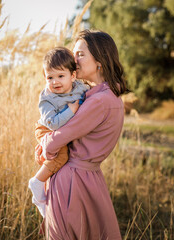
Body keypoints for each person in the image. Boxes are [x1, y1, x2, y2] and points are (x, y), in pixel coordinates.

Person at [35, 29, 127, 239]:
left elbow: (53, 144)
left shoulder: (99, 101)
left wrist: (43, 138)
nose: (74, 59)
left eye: (81, 54)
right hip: (88, 178)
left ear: (100, 60)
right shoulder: (106, 96)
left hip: (73, 182)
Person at [28, 47, 89, 218]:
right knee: (61, 156)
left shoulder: (79, 88)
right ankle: (38, 182)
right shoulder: (46, 99)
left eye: (60, 76)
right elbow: (53, 124)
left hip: (61, 130)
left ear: (73, 76)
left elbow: (89, 96)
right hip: (46, 129)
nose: (55, 82)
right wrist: (70, 111)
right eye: (50, 77)